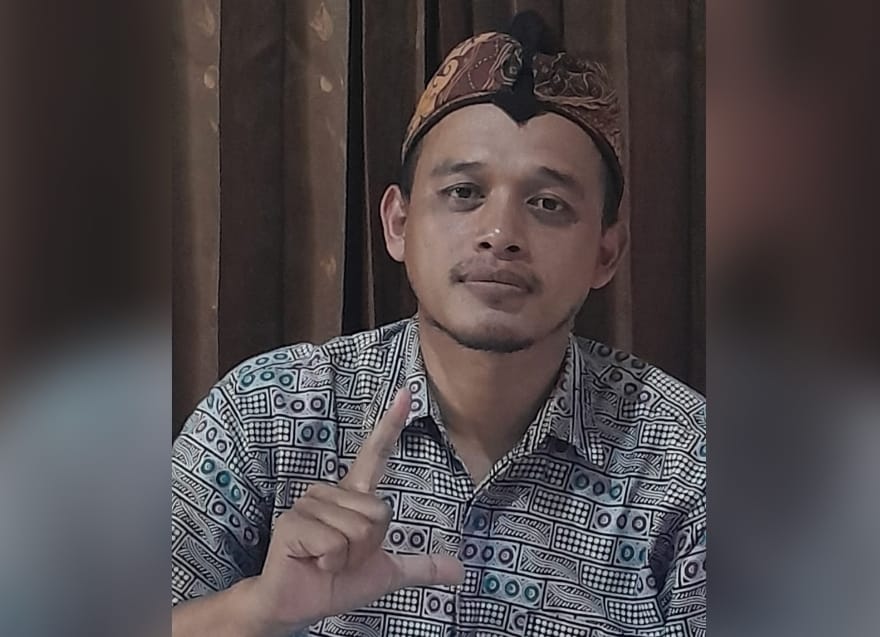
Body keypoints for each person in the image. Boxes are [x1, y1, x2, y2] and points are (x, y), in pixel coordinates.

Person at [172, 12, 706, 637]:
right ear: (398, 224)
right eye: (463, 193)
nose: (500, 234)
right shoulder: (267, 411)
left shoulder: (687, 462)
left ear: (605, 254)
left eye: (548, 203)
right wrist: (258, 610)